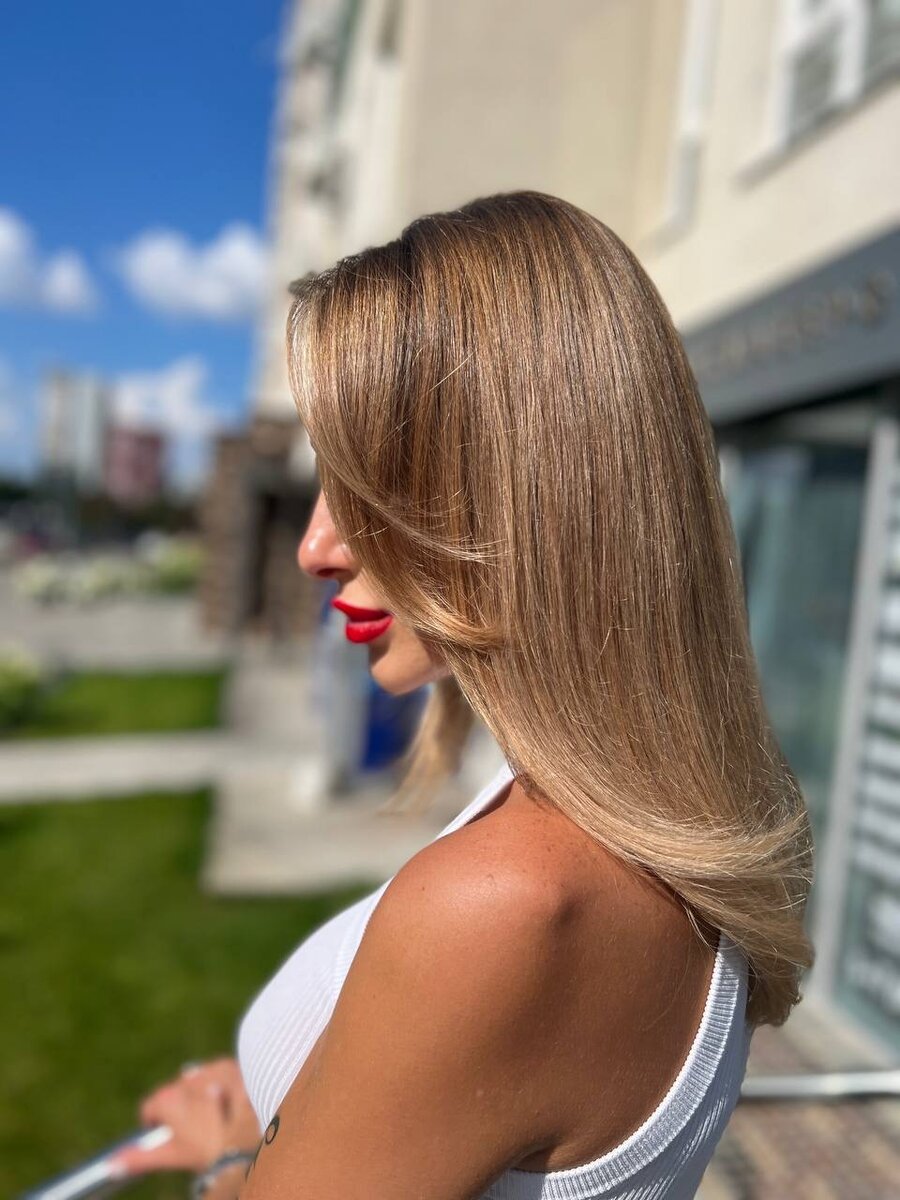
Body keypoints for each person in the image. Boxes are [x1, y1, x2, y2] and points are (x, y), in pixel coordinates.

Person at [112, 190, 814, 1199]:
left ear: (520, 500)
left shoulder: (509, 906)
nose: (315, 547)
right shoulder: (665, 839)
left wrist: (230, 1151)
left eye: (363, 485)